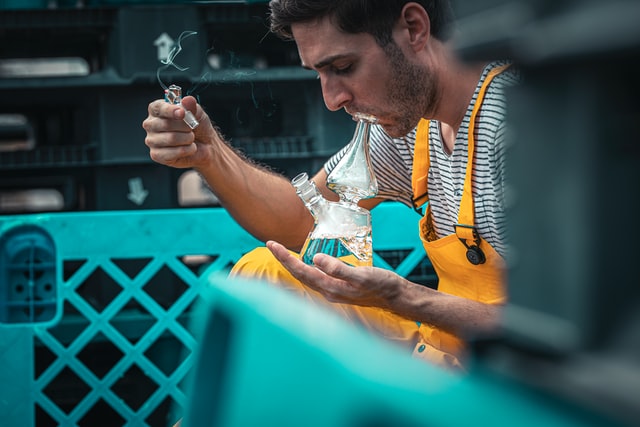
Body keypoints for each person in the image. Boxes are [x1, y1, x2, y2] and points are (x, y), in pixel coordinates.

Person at [142, 0, 519, 371]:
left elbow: (564, 338)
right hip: (446, 353)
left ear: (414, 28)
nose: (332, 99)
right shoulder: (412, 126)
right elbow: (301, 221)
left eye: (343, 67)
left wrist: (402, 297)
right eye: (319, 74)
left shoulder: (516, 132)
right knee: (267, 274)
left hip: (516, 388)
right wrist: (209, 154)